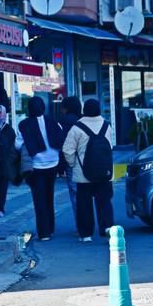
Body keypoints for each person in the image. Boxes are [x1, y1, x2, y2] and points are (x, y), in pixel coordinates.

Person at [62, 99, 115, 242]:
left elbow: (67, 150)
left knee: (84, 204)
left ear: (84, 110)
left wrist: (73, 164)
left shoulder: (77, 127)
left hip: (83, 174)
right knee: (104, 201)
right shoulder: (107, 126)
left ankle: (86, 234)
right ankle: (107, 228)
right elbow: (110, 147)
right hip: (105, 173)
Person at [15, 97, 63, 241]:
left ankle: (44, 232)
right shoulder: (53, 121)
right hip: (53, 162)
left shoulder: (24, 124)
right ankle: (51, 228)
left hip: (36, 165)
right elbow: (60, 136)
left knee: (39, 199)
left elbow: (18, 144)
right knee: (49, 196)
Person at [58, 96, 83, 230]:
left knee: (75, 194)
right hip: (85, 161)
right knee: (85, 194)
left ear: (66, 108)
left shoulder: (64, 122)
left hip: (71, 162)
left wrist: (61, 166)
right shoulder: (83, 120)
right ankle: (88, 223)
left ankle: (81, 226)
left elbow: (63, 145)